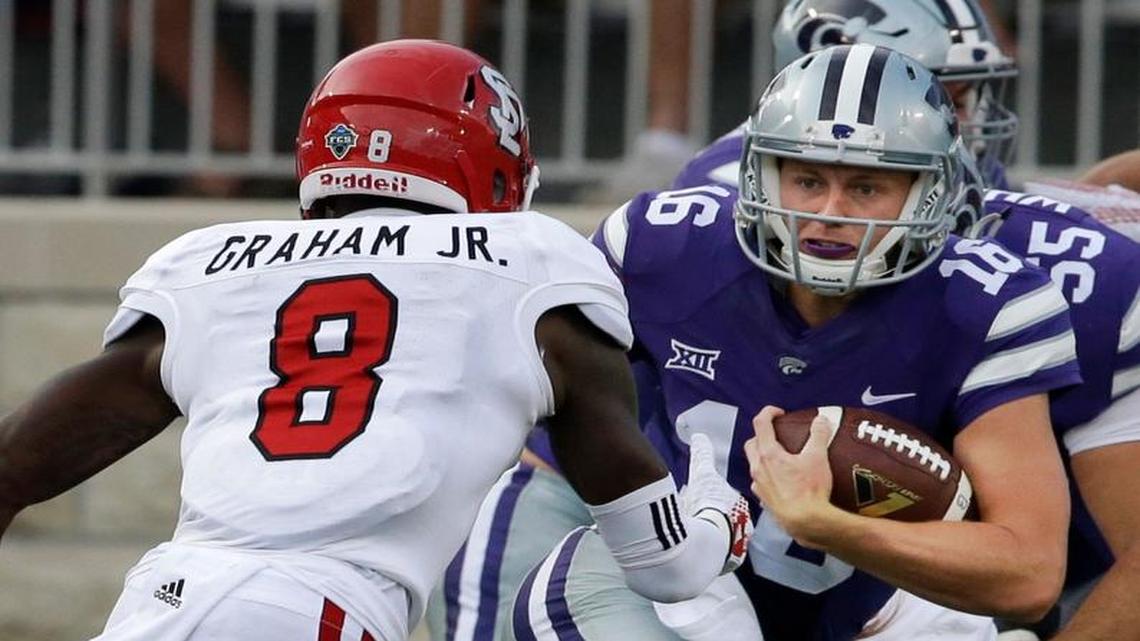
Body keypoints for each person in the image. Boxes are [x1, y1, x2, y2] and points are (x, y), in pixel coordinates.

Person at [0, 40, 751, 641]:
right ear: (495, 172)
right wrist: (718, 513)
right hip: (324, 608)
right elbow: (664, 567)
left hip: (162, 599)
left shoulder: (206, 265)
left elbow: (13, 465)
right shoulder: (532, 266)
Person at [508, 44, 1076, 641]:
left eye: (866, 188)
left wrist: (825, 524)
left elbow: (1029, 574)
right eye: (807, 180)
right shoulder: (662, 248)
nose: (831, 213)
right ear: (760, 173)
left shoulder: (984, 305)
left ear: (927, 194)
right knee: (576, 584)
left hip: (883, 604)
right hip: (681, 587)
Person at [681, 2, 1140, 638]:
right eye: (939, 95)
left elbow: (1045, 571)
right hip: (717, 567)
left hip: (955, 571)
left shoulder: (1071, 265)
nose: (966, 119)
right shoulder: (700, 224)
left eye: (963, 96)